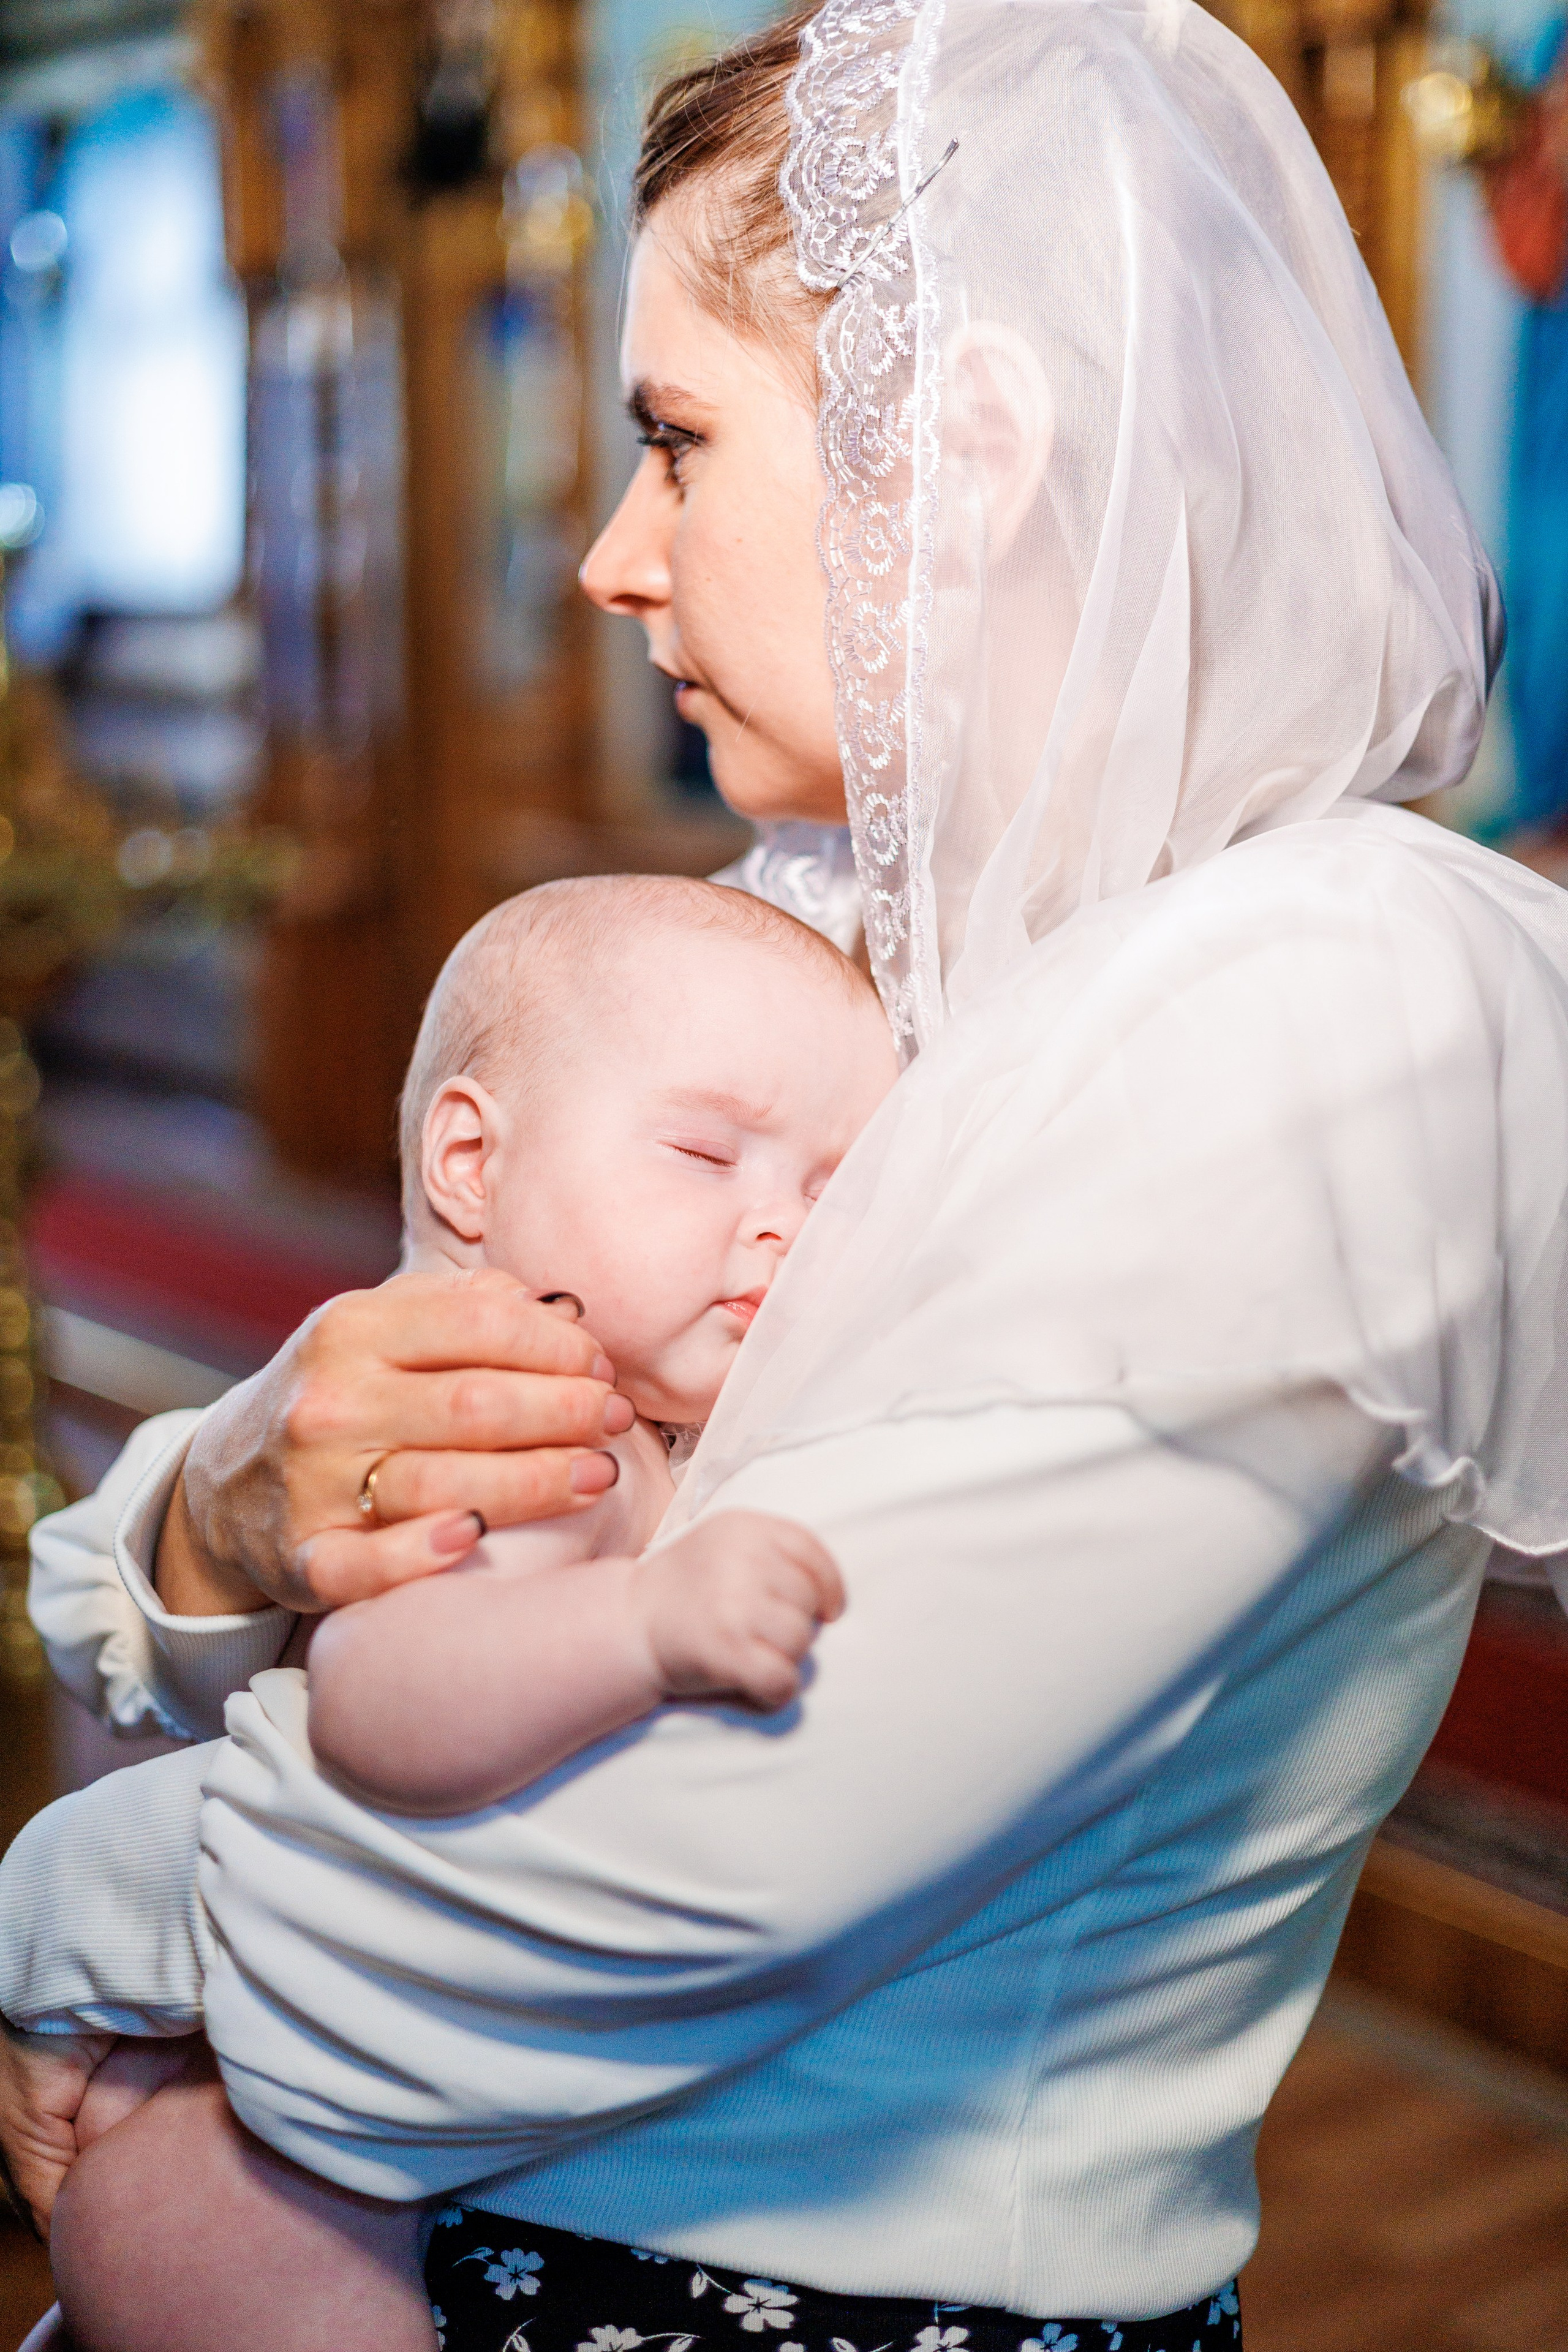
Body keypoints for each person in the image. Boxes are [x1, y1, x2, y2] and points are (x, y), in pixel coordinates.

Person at [7, 4, 1568, 2350]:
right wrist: (234, 1501)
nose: (610, 560)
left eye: (674, 439)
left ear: (966, 447)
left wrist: (79, 1923)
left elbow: (671, 1898)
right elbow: (223, 1577)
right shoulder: (811, 929)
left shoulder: (1333, 1002)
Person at [1, 870, 886, 2352]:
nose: (778, 1230)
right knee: (174, 2217)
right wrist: (647, 1627)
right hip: (299, 2112)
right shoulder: (542, 1420)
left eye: (826, 1189)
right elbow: (388, 1699)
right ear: (468, 1162)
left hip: (427, 2066)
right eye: (704, 1155)